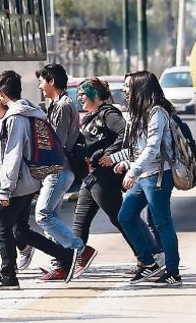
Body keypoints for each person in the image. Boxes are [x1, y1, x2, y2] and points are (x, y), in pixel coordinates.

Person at [0, 70, 71, 291]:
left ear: (3, 94)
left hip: (17, 183)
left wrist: (5, 190)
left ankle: (8, 276)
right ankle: (65, 255)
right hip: (30, 181)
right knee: (20, 231)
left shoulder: (15, 117)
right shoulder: (31, 111)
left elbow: (12, 155)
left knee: (1, 229)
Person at [108, 71, 182, 287]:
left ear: (140, 88)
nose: (123, 91)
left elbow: (152, 148)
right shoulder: (136, 113)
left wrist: (133, 171)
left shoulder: (157, 113)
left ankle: (173, 272)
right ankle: (148, 262)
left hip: (157, 175)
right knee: (125, 216)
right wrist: (125, 163)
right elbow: (135, 148)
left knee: (161, 223)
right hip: (143, 175)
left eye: (127, 86)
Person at [34, 63, 90, 282]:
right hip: (57, 168)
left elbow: (55, 142)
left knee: (43, 215)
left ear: (52, 82)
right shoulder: (60, 104)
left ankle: (79, 249)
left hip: (58, 168)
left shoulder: (62, 105)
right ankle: (60, 264)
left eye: (42, 81)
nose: (40, 86)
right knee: (51, 216)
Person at [71, 77, 126, 276]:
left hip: (105, 178)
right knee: (80, 220)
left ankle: (150, 256)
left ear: (94, 95)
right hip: (92, 176)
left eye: (82, 95)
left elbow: (125, 132)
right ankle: (77, 259)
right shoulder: (90, 116)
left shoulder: (109, 114)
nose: (79, 100)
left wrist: (109, 154)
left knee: (120, 218)